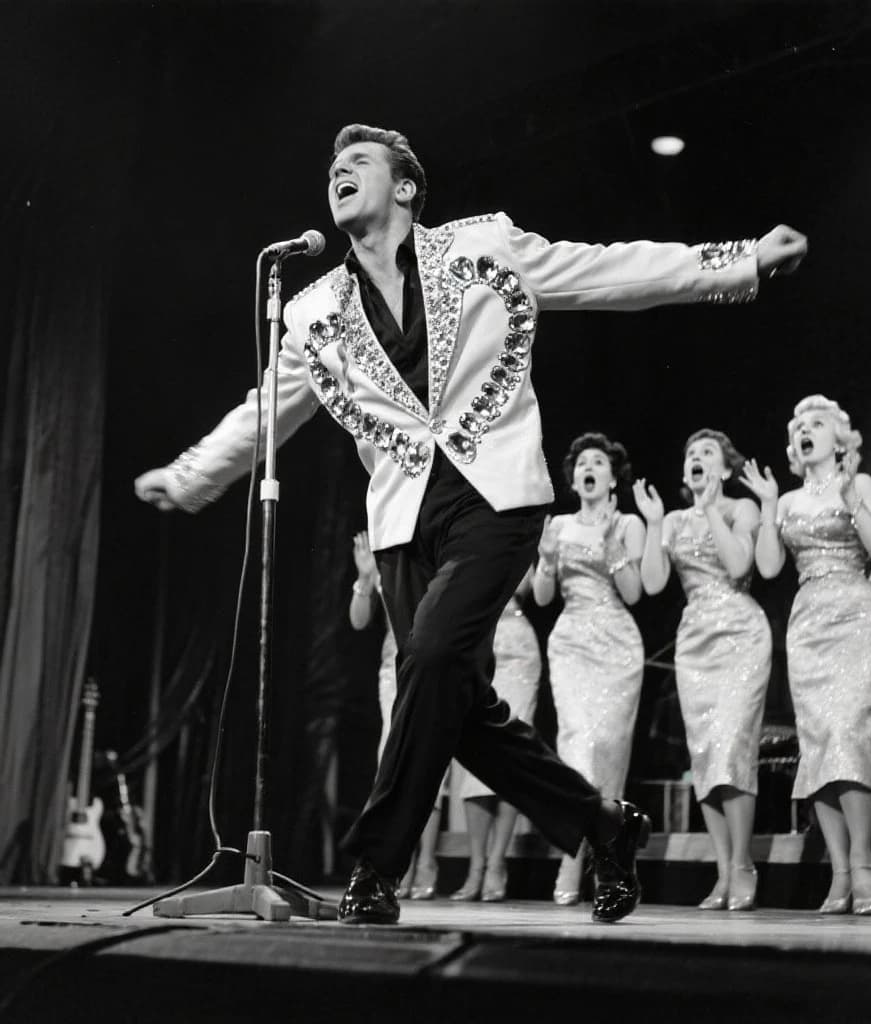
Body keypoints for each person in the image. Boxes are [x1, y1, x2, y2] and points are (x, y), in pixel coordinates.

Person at [135, 122, 807, 925]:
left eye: (359, 163)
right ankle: (602, 824)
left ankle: (375, 867)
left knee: (429, 657)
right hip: (401, 520)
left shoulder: (482, 248)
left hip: (497, 497)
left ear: (407, 187)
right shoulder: (314, 310)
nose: (338, 172)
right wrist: (190, 477)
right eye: (332, 167)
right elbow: (265, 410)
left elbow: (605, 269)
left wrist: (739, 261)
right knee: (455, 702)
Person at [741, 395, 871, 915]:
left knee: (851, 726)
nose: (806, 430)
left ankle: (864, 859)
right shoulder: (784, 502)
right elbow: (765, 569)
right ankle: (839, 871)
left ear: (838, 437)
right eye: (799, 426)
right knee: (820, 740)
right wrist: (766, 507)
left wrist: (852, 499)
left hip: (856, 612)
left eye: (816, 423)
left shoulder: (863, 485)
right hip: (807, 621)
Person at [633, 430, 771, 912]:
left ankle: (743, 865)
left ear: (726, 469)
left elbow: (738, 567)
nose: (696, 458)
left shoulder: (742, 510)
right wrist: (653, 525)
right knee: (706, 756)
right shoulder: (670, 519)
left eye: (707, 453)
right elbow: (651, 583)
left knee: (733, 746)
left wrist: (713, 506)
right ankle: (722, 868)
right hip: (694, 640)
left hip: (740, 632)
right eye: (691, 453)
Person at [533, 432, 644, 907]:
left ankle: (605, 860)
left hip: (617, 644)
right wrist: (544, 556)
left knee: (607, 750)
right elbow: (542, 596)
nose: (589, 468)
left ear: (611, 475)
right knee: (577, 744)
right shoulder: (556, 525)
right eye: (582, 464)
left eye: (598, 462)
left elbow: (636, 592)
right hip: (572, 641)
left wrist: (609, 544)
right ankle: (571, 857)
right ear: (575, 478)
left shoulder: (627, 523)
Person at [350, 529, 441, 900]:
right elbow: (358, 621)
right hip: (394, 667)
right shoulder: (386, 550)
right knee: (390, 762)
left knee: (433, 761)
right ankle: (394, 861)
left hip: (429, 665)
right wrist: (365, 578)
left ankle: (427, 862)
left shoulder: (435, 546)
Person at [449, 567, 541, 903]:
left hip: (517, 645)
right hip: (476, 639)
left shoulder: (528, 523)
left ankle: (496, 864)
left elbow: (534, 588)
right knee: (474, 761)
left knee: (511, 755)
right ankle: (475, 866)